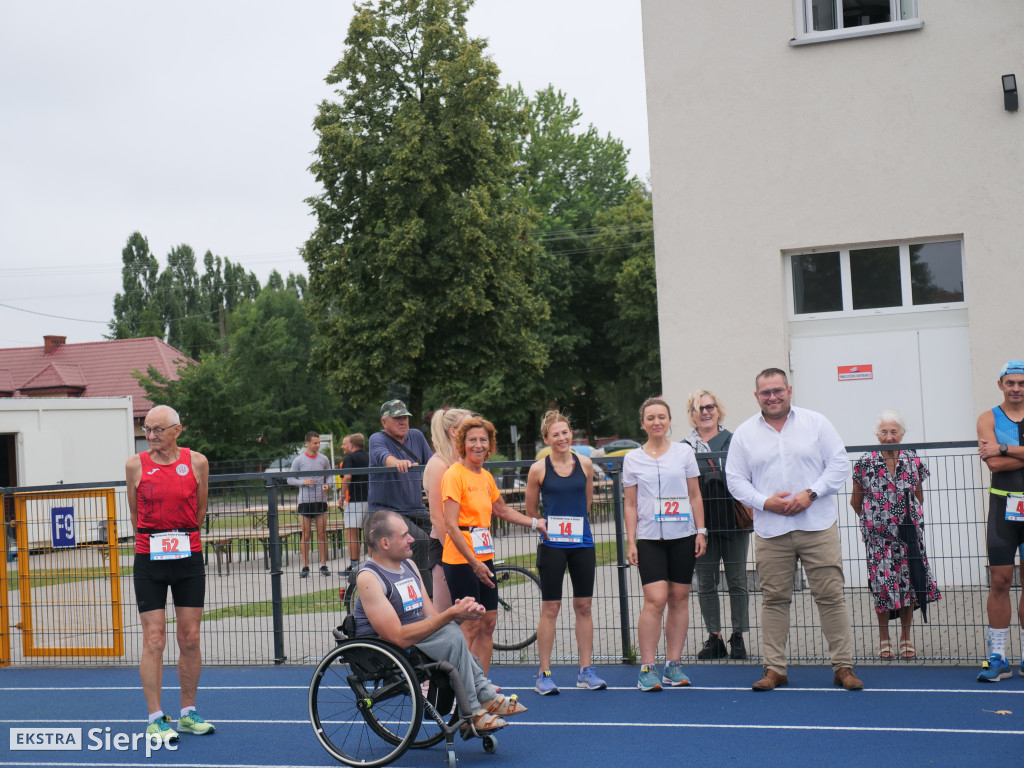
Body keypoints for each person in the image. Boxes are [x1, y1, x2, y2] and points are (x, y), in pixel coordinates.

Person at [727, 368, 863, 692]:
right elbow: (734, 479)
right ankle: (775, 670)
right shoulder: (745, 434)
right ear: (756, 396)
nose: (772, 397)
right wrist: (763, 502)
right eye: (765, 393)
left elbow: (840, 464)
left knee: (831, 597)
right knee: (774, 599)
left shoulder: (817, 423)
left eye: (778, 390)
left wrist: (810, 494)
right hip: (771, 530)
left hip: (817, 525)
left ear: (789, 390)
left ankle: (843, 667)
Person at [353, 510, 528, 734]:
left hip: (418, 639)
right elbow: (396, 636)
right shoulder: (369, 578)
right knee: (452, 634)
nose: (412, 539)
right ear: (385, 543)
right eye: (404, 535)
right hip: (386, 649)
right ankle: (475, 708)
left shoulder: (409, 566)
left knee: (452, 630)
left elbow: (431, 616)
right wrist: (449, 616)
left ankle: (483, 699)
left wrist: (460, 613)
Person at [125, 405, 214, 743]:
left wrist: (182, 538)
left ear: (178, 430)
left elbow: (201, 507)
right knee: (154, 638)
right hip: (149, 559)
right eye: (146, 429)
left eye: (157, 430)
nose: (150, 436)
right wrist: (155, 540)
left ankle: (188, 714)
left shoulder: (197, 462)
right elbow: (134, 513)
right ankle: (154, 717)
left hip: (188, 556)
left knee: (190, 638)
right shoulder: (135, 464)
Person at [441, 416, 547, 674]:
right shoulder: (454, 474)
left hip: (483, 557)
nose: (478, 445)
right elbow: (451, 526)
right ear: (462, 444)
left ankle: (481, 686)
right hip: (461, 560)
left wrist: (536, 524)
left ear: (490, 446)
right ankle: (458, 692)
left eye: (483, 440)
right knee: (470, 626)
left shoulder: (486, 477)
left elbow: (502, 510)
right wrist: (474, 563)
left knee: (488, 622)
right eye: (472, 440)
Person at [624, 397, 707, 691]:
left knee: (679, 597)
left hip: (683, 536)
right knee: (656, 598)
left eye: (661, 417)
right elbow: (631, 503)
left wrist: (701, 531)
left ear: (670, 420)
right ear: (643, 423)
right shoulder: (632, 458)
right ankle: (647, 667)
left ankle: (673, 665)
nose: (656, 422)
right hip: (649, 538)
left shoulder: (684, 453)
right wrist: (630, 540)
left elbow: (695, 494)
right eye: (650, 418)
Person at [851, 410, 941, 661]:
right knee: (882, 587)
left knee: (909, 584)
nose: (889, 436)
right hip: (878, 538)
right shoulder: (865, 462)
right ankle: (884, 639)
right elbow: (855, 500)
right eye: (884, 432)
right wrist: (873, 521)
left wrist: (906, 517)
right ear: (876, 435)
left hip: (908, 535)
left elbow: (919, 496)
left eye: (894, 431)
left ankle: (906, 638)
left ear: (902, 433)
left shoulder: (913, 460)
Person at [526, 410, 606, 694]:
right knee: (551, 608)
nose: (561, 438)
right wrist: (549, 528)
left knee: (584, 607)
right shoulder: (538, 469)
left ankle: (586, 670)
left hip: (582, 544)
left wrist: (573, 527)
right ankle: (543, 674)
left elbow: (586, 503)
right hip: (552, 547)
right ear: (546, 439)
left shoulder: (584, 464)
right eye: (555, 434)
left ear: (571, 434)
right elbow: (532, 511)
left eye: (565, 433)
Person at [684, 390, 751, 661]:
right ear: (691, 415)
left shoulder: (735, 441)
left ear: (718, 410)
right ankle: (715, 637)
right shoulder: (685, 447)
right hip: (702, 524)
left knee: (737, 581)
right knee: (706, 583)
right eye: (698, 408)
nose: (705, 412)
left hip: (733, 521)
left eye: (709, 406)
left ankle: (738, 637)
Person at [976, 359, 1024, 682]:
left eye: (1021, 383)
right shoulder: (987, 418)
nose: (1016, 389)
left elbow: (998, 454)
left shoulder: (1000, 433)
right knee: (1000, 581)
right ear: (1001, 385)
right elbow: (992, 464)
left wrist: (1005, 447)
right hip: (1003, 507)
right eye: (1011, 383)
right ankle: (999, 657)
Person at [368, 399, 435, 594]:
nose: (403, 421)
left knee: (443, 534)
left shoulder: (416, 435)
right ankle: (428, 600)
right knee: (420, 540)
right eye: (397, 418)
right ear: (384, 422)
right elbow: (382, 456)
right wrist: (396, 462)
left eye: (405, 417)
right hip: (387, 512)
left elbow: (432, 464)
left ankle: (440, 587)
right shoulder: (377, 439)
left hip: (416, 509)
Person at [423, 407, 473, 613]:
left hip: (467, 541)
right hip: (447, 546)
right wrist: (450, 555)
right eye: (469, 425)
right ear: (454, 431)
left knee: (471, 612)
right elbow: (437, 516)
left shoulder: (463, 463)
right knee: (446, 616)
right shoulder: (438, 465)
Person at [287, 431, 333, 578]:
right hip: (305, 501)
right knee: (306, 534)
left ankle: (323, 564)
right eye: (315, 443)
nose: (317, 445)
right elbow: (289, 479)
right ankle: (305, 566)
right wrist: (302, 482)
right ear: (307, 443)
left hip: (320, 500)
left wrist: (328, 485)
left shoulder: (324, 459)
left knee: (322, 533)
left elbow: (330, 475)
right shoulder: (299, 460)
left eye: (319, 443)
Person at [340, 433, 370, 576]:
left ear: (352, 445)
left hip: (356, 500)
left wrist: (341, 495)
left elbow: (347, 476)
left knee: (352, 533)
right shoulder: (369, 456)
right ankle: (372, 564)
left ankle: (354, 565)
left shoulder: (350, 458)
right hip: (370, 499)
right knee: (370, 533)